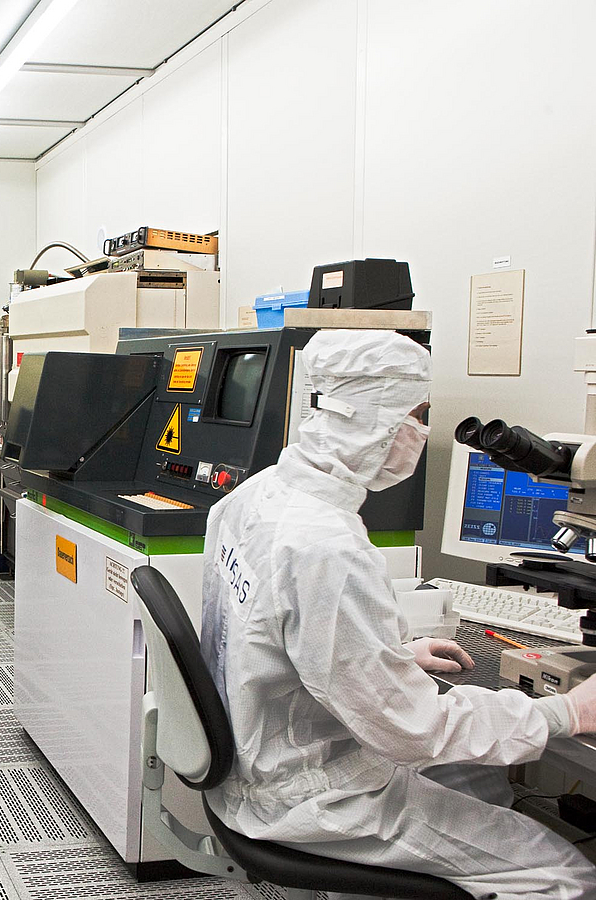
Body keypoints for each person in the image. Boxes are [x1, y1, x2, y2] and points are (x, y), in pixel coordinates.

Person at [199, 329, 596, 899]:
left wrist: (382, 657)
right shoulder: (324, 546)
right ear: (377, 418)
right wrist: (567, 713)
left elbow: (256, 638)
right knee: (564, 873)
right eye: (419, 414)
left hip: (257, 760)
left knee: (476, 777)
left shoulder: (255, 497)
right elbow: (410, 729)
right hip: (312, 793)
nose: (422, 432)